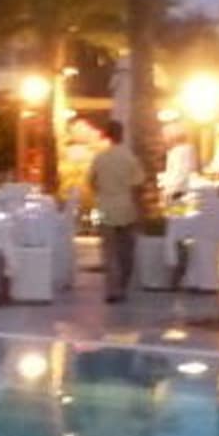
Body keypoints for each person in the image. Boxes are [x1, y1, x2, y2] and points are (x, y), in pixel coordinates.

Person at [87, 118, 145, 304]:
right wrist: (140, 211)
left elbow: (91, 182)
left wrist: (101, 193)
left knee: (109, 251)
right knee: (126, 251)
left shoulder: (99, 158)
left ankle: (112, 289)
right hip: (127, 208)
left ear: (107, 136)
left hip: (105, 207)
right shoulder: (130, 158)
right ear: (122, 135)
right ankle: (123, 286)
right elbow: (138, 186)